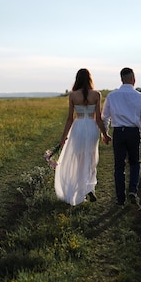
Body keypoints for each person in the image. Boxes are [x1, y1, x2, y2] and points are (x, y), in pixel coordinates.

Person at [55, 68, 111, 206]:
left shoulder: (73, 95)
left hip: (78, 127)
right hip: (92, 128)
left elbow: (69, 118)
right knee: (91, 158)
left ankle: (81, 189)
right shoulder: (96, 94)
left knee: (78, 158)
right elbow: (98, 118)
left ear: (77, 79)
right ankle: (89, 187)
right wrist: (105, 134)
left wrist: (63, 138)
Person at [101, 67, 141, 206]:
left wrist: (105, 134)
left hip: (118, 132)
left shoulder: (112, 96)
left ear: (121, 79)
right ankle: (133, 190)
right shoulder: (140, 97)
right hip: (133, 133)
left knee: (119, 166)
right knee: (134, 163)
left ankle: (120, 199)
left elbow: (105, 117)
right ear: (133, 79)